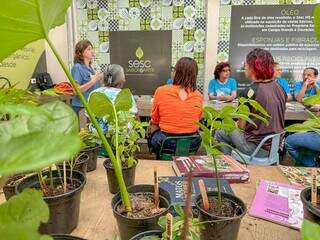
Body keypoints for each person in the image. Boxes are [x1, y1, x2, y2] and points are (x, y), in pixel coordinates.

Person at [215, 48, 286, 157]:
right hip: (275, 147)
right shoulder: (280, 88)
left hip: (255, 149)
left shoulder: (249, 92)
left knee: (220, 132)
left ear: (254, 67)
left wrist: (233, 123)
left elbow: (241, 127)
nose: (245, 67)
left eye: (246, 64)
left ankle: (230, 165)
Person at [149, 57, 203, 159]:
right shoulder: (199, 95)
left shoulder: (161, 91)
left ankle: (158, 156)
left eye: (174, 69)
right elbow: (199, 119)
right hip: (192, 143)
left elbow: (155, 120)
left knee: (153, 126)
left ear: (177, 72)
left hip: (166, 143)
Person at [88, 64, 137, 132]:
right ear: (121, 79)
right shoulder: (125, 95)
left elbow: (89, 116)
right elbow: (133, 117)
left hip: (97, 135)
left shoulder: (94, 93)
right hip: (119, 136)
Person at [71, 40, 103, 116]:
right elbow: (75, 90)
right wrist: (92, 81)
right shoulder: (77, 67)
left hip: (91, 107)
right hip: (81, 107)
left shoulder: (91, 69)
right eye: (88, 49)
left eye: (92, 49)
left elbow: (92, 88)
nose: (92, 51)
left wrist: (100, 80)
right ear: (80, 52)